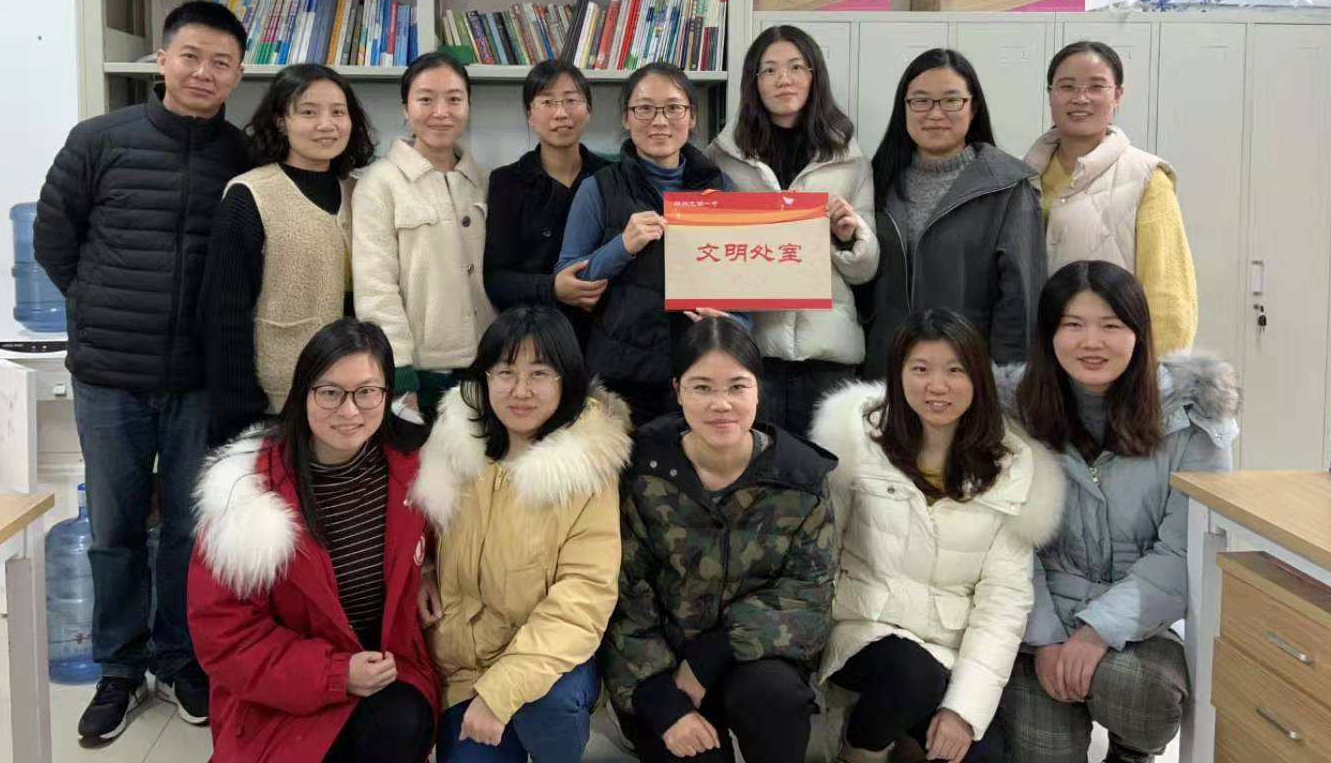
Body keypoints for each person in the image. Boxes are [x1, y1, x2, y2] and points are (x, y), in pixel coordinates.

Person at [34, 0, 249, 739]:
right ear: (162, 60)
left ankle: (179, 659)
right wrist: (98, 306)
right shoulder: (99, 139)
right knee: (115, 529)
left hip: (198, 379)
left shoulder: (243, 156)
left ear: (238, 74)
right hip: (110, 375)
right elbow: (54, 241)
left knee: (191, 529)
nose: (203, 72)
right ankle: (119, 669)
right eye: (190, 56)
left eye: (221, 62)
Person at [997, 261, 1238, 763]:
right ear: (1049, 334)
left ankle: (1130, 752)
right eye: (1073, 324)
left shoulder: (1190, 420)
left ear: (1139, 333)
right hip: (1040, 615)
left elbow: (1182, 551)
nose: (1093, 342)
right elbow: (1008, 540)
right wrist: (1045, 639)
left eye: (1111, 325)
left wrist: (1098, 630)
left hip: (1145, 621)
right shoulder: (1015, 411)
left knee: (1146, 697)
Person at [810, 309, 1064, 763]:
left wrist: (962, 711)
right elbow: (819, 553)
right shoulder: (858, 438)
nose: (937, 386)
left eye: (954, 370)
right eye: (921, 369)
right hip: (860, 627)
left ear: (978, 378)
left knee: (980, 754)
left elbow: (1003, 603)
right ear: (898, 373)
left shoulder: (1011, 466)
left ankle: (901, 738)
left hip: (946, 648)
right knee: (911, 676)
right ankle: (859, 751)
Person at [187, 318, 437, 763]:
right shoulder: (247, 492)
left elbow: (446, 538)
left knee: (403, 723)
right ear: (302, 393)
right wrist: (336, 674)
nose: (350, 411)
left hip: (389, 670)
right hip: (287, 691)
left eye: (366, 392)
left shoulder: (415, 468)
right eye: (330, 393)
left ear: (386, 395)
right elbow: (223, 634)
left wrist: (429, 569)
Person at [602, 317, 837, 763]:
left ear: (758, 390)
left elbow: (809, 594)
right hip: (661, 665)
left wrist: (715, 652)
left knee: (775, 700)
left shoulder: (799, 477)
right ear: (677, 390)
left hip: (754, 659)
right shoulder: (642, 471)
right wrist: (660, 699)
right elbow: (623, 591)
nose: (721, 404)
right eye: (702, 387)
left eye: (737, 386)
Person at [411, 306, 629, 763]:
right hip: (463, 666)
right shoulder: (454, 442)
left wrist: (502, 691)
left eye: (540, 373)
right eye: (506, 372)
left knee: (549, 705)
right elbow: (418, 525)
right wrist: (424, 570)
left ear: (565, 379)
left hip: (548, 662)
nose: (521, 390)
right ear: (485, 377)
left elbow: (584, 594)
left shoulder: (585, 466)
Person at [707, 26, 879, 433]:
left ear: (814, 75)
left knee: (827, 465)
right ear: (753, 82)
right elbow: (708, 258)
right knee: (757, 464)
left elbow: (865, 271)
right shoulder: (721, 158)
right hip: (749, 349)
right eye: (769, 70)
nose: (783, 79)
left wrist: (848, 235)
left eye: (796, 67)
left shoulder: (849, 160)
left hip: (828, 353)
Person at [557, 61, 741, 426]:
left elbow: (746, 281)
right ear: (626, 118)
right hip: (619, 380)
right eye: (644, 108)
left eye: (673, 108)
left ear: (692, 116)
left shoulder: (722, 189)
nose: (659, 121)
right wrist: (622, 246)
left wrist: (733, 322)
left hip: (702, 371)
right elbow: (569, 280)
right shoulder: (598, 187)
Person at [200, 63, 375, 445]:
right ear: (281, 121)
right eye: (308, 112)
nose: (326, 124)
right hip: (276, 401)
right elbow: (224, 310)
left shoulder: (363, 191)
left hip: (354, 399)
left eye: (338, 112)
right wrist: (242, 409)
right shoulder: (250, 194)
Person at [861, 48, 1046, 379]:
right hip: (886, 371)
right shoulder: (875, 181)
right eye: (920, 101)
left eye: (951, 101)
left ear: (973, 108)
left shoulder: (1007, 187)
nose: (935, 113)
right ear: (904, 108)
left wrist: (1007, 383)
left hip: (967, 373)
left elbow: (1021, 301)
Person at [1024, 41, 1198, 355]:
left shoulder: (1146, 177)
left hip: (1110, 359)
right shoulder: (1021, 176)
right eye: (1067, 87)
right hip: (1038, 361)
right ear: (1050, 94)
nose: (1080, 98)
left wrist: (1159, 370)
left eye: (1096, 87)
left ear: (1117, 95)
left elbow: (1168, 293)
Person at [353, 51, 495, 421]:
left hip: (488, 365)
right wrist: (399, 372)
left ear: (468, 105)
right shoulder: (379, 182)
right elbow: (375, 287)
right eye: (426, 99)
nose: (441, 112)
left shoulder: (484, 180)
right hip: (421, 372)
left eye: (454, 99)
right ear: (406, 108)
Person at [483, 59, 610, 347]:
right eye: (547, 102)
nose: (560, 113)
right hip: (530, 338)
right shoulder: (506, 182)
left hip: (603, 337)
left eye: (571, 100)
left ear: (589, 109)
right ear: (530, 114)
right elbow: (495, 279)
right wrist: (553, 288)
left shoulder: (611, 178)